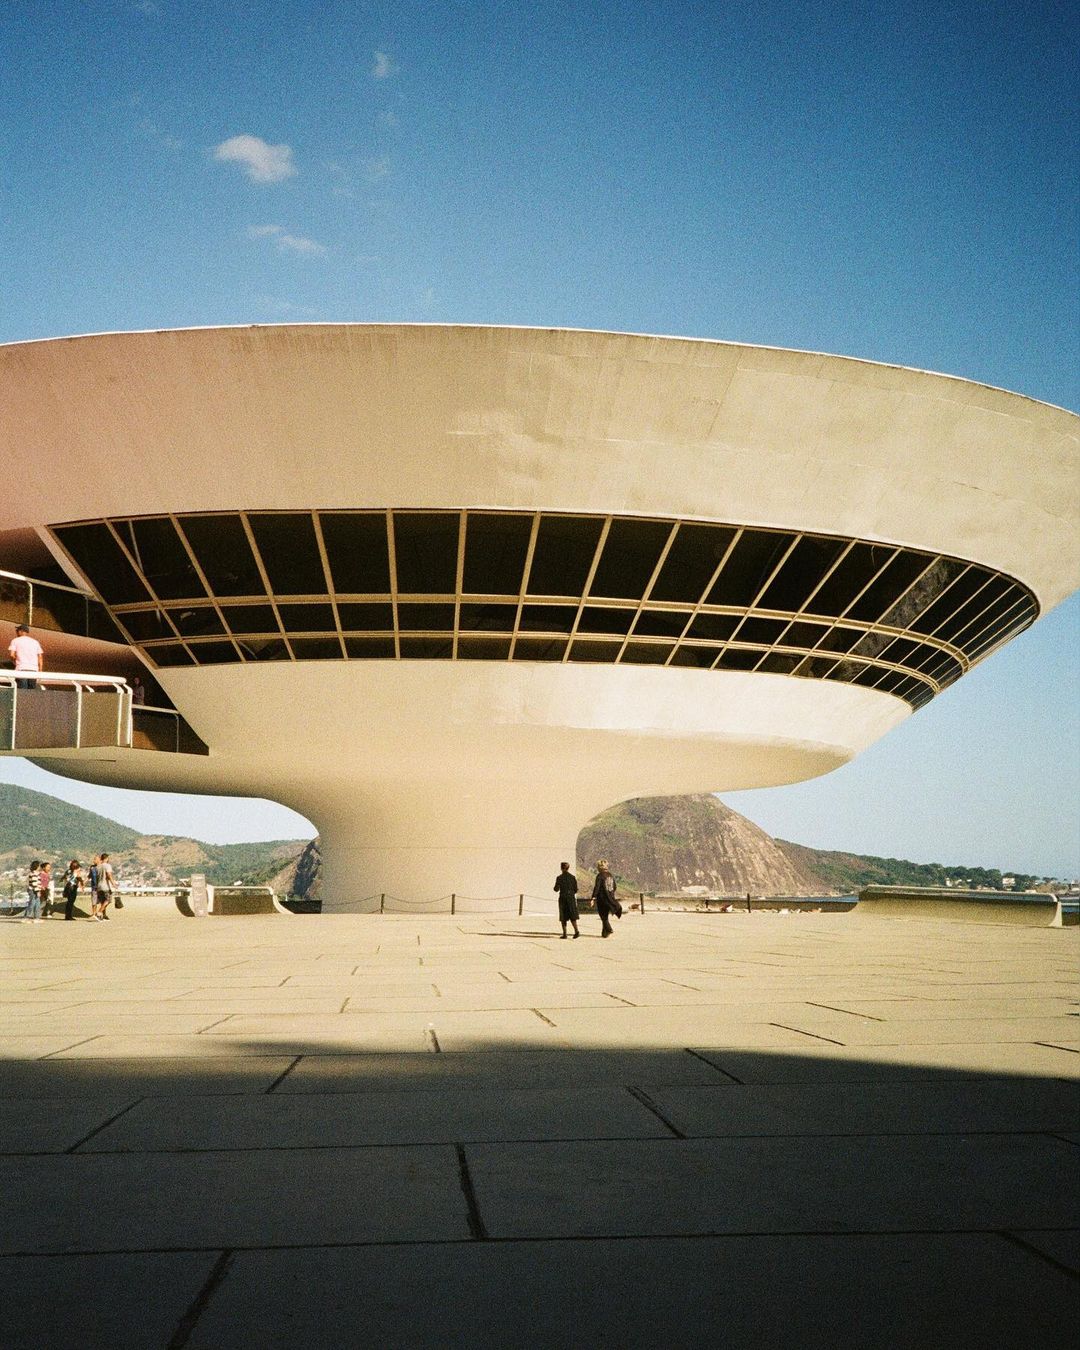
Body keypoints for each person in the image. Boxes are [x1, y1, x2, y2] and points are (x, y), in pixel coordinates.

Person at [591, 858, 622, 938]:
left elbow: (597, 887)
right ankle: (604, 933)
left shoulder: (600, 875)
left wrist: (593, 897)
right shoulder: (610, 875)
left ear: (600, 867)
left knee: (603, 916)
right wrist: (610, 893)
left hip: (602, 899)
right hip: (610, 898)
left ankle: (609, 929)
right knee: (605, 916)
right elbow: (614, 887)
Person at [8, 623, 44, 689]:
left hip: (21, 668)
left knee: (22, 690)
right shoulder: (35, 642)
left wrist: (15, 662)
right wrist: (40, 670)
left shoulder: (15, 641)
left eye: (17, 630)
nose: (16, 632)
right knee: (31, 691)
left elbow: (12, 655)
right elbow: (40, 657)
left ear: (21, 631)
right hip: (34, 669)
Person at [553, 861, 580, 939]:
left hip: (563, 898)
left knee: (563, 917)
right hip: (571, 898)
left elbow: (556, 889)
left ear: (561, 868)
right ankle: (576, 931)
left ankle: (565, 934)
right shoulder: (572, 877)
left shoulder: (559, 878)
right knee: (572, 915)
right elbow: (576, 889)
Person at [94, 852, 115, 920]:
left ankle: (103, 915)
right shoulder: (107, 866)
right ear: (107, 858)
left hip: (99, 886)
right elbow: (109, 875)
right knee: (108, 900)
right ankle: (99, 912)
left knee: (103, 901)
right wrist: (113, 883)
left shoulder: (97, 867)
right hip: (105, 886)